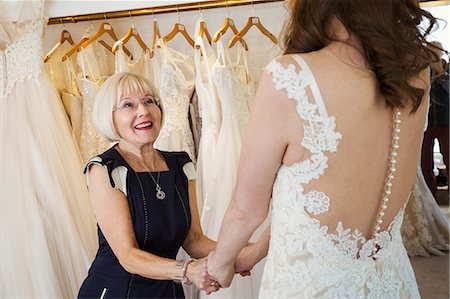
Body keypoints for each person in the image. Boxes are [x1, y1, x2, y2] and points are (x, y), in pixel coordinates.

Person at [206, 0, 441, 297]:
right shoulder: (415, 74)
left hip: (311, 288)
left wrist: (217, 265)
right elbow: (311, 201)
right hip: (392, 283)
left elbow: (246, 210)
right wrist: (252, 253)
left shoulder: (290, 76)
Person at [77, 72, 220, 298]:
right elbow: (128, 255)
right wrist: (187, 269)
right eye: (128, 105)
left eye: (148, 101)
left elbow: (194, 240)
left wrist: (244, 251)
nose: (143, 111)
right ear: (110, 117)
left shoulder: (180, 165)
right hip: (119, 291)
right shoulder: (104, 169)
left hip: (167, 290)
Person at [421, 42, 449, 197]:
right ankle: (430, 197)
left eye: (436, 51)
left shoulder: (447, 67)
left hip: (446, 123)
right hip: (425, 124)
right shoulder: (422, 69)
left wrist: (440, 72)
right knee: (425, 163)